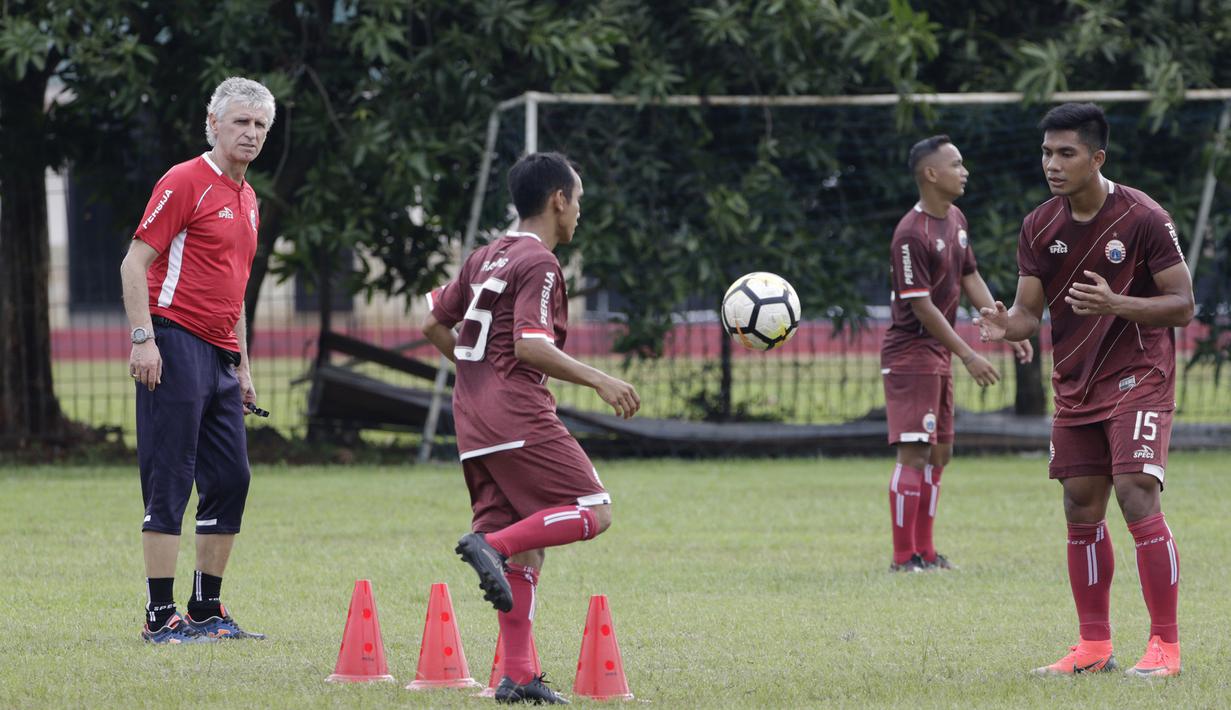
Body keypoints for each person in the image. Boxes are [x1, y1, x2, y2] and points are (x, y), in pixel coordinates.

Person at [975, 103, 1193, 678]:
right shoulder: (1038, 225)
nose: (1052, 163)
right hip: (1076, 384)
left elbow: (1183, 304)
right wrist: (1005, 325)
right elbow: (1027, 312)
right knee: (1079, 505)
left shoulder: (1143, 216)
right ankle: (1094, 646)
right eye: (1047, 152)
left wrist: (1118, 303)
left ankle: (1165, 648)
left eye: (1066, 152)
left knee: (1136, 492)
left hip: (1140, 376)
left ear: (1097, 157)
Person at [422, 152, 640, 704]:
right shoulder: (540, 263)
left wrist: (476, 375)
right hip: (516, 412)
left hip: (471, 417)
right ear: (557, 200)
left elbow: (431, 322)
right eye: (579, 202)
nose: (579, 214)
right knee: (595, 510)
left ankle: (517, 676)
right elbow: (529, 344)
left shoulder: (485, 255)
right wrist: (600, 381)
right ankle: (490, 545)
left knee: (528, 553)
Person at [119, 76, 275, 644]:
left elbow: (231, 293)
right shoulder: (186, 180)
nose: (251, 133)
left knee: (231, 477)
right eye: (240, 122)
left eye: (260, 125)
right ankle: (160, 617)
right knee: (170, 479)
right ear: (213, 124)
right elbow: (134, 264)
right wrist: (143, 339)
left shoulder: (249, 197)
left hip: (220, 356)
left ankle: (206, 608)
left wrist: (244, 366)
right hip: (173, 338)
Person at [881, 135, 1033, 573]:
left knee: (940, 453)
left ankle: (926, 553)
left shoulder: (957, 219)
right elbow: (922, 305)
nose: (964, 171)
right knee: (914, 450)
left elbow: (970, 276)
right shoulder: (910, 234)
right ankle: (901, 557)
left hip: (938, 355)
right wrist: (969, 353)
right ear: (931, 174)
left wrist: (1005, 327)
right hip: (911, 354)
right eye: (956, 164)